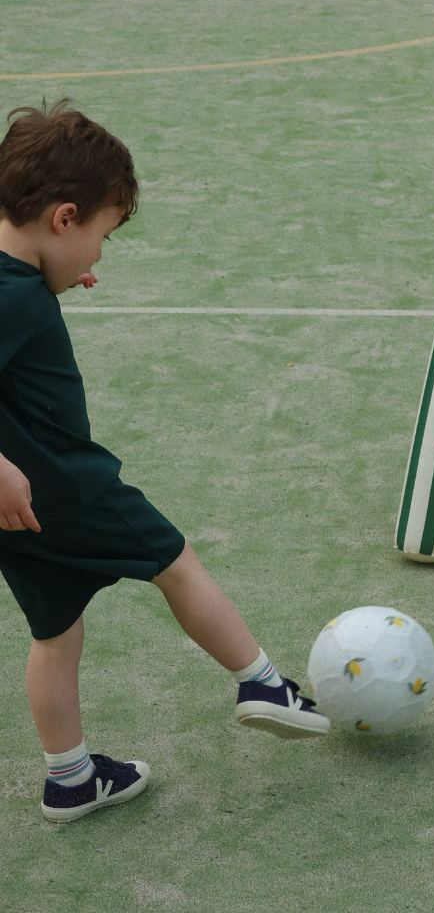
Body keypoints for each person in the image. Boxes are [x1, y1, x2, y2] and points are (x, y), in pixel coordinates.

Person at [0, 99, 330, 824]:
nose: (97, 258)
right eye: (102, 236)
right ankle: (262, 683)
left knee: (56, 633)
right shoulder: (14, 297)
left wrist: (53, 281)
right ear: (63, 218)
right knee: (175, 560)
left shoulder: (17, 276)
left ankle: (70, 778)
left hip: (18, 515)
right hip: (64, 484)